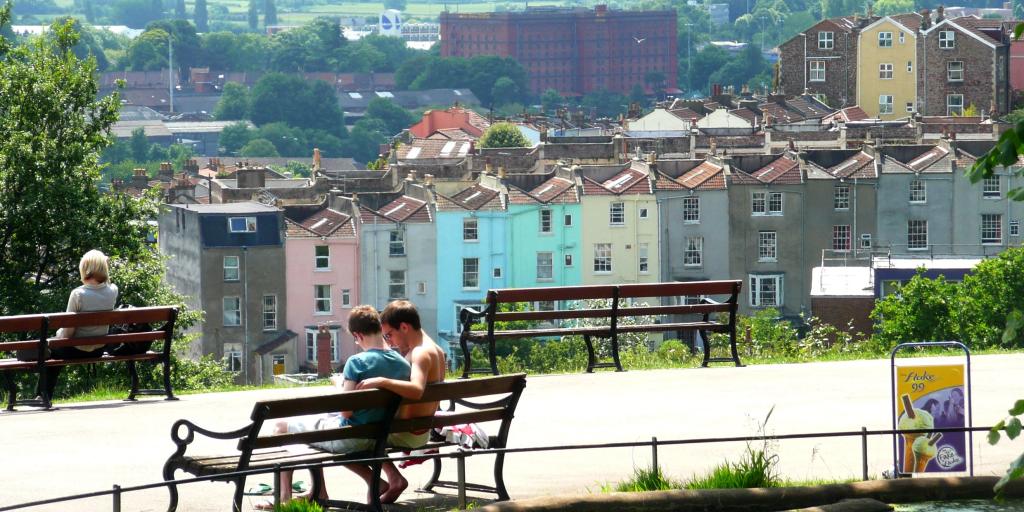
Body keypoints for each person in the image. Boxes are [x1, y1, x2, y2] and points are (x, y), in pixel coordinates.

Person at [259, 306, 411, 509]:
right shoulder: (402, 364)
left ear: (357, 335)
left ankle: (285, 498)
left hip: (350, 439)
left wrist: (340, 384)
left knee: (281, 427)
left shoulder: (356, 362)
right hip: (378, 436)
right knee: (316, 427)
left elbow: (346, 412)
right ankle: (318, 491)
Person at [357, 299, 448, 504]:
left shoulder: (420, 352)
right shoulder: (436, 349)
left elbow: (416, 390)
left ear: (404, 327)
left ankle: (388, 481)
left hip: (408, 433)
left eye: (389, 335)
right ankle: (391, 480)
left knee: (348, 436)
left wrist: (382, 381)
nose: (389, 342)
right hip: (420, 429)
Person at [39, 250, 118, 401]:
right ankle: (42, 396)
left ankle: (43, 396)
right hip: (99, 349)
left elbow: (68, 333)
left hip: (75, 349)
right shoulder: (112, 292)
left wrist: (58, 335)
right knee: (53, 349)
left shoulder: (78, 294)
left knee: (50, 350)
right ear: (103, 268)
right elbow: (107, 284)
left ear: (85, 269)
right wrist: (104, 266)